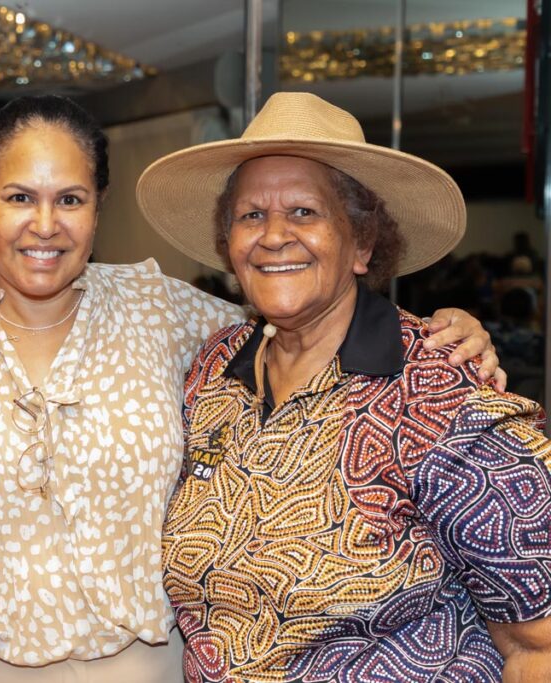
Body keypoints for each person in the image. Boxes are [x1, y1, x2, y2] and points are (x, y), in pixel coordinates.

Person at [0, 95, 503, 681]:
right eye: (18, 198)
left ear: (97, 207)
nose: (45, 224)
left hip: (144, 665)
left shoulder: (166, 314)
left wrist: (450, 333)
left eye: (70, 199)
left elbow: (301, 312)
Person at [137, 92, 551, 682]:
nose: (274, 235)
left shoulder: (441, 392)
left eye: (305, 212)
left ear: (362, 244)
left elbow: (539, 642)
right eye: (251, 215)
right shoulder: (213, 371)